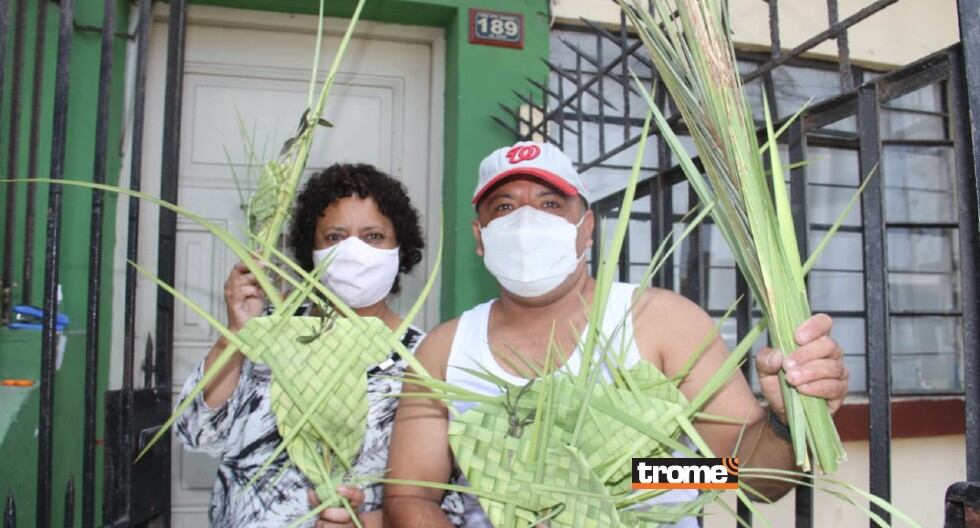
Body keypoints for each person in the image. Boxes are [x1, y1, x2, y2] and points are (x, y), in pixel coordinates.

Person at [383, 142, 850, 527]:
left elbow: (748, 479)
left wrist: (786, 421)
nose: (526, 221)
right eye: (504, 207)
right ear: (481, 236)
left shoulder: (660, 322)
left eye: (549, 204)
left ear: (586, 230)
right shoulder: (445, 350)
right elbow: (410, 496)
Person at [175, 164, 467, 528]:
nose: (353, 251)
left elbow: (447, 503)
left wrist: (367, 523)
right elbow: (197, 433)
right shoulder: (270, 330)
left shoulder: (424, 359)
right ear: (310, 248)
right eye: (334, 237)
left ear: (399, 248)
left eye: (373, 236)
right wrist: (235, 334)